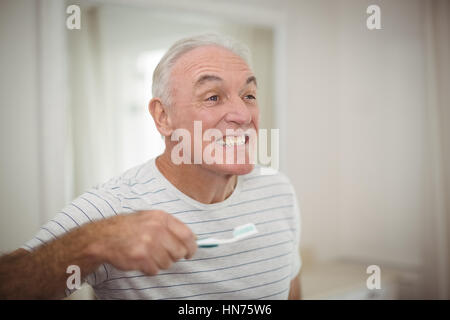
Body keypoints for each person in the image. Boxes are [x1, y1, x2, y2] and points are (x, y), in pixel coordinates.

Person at [0, 34, 302, 300]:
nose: (242, 113)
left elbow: (291, 290)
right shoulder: (111, 210)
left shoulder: (278, 189)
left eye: (249, 95)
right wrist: (92, 243)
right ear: (163, 117)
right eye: (213, 97)